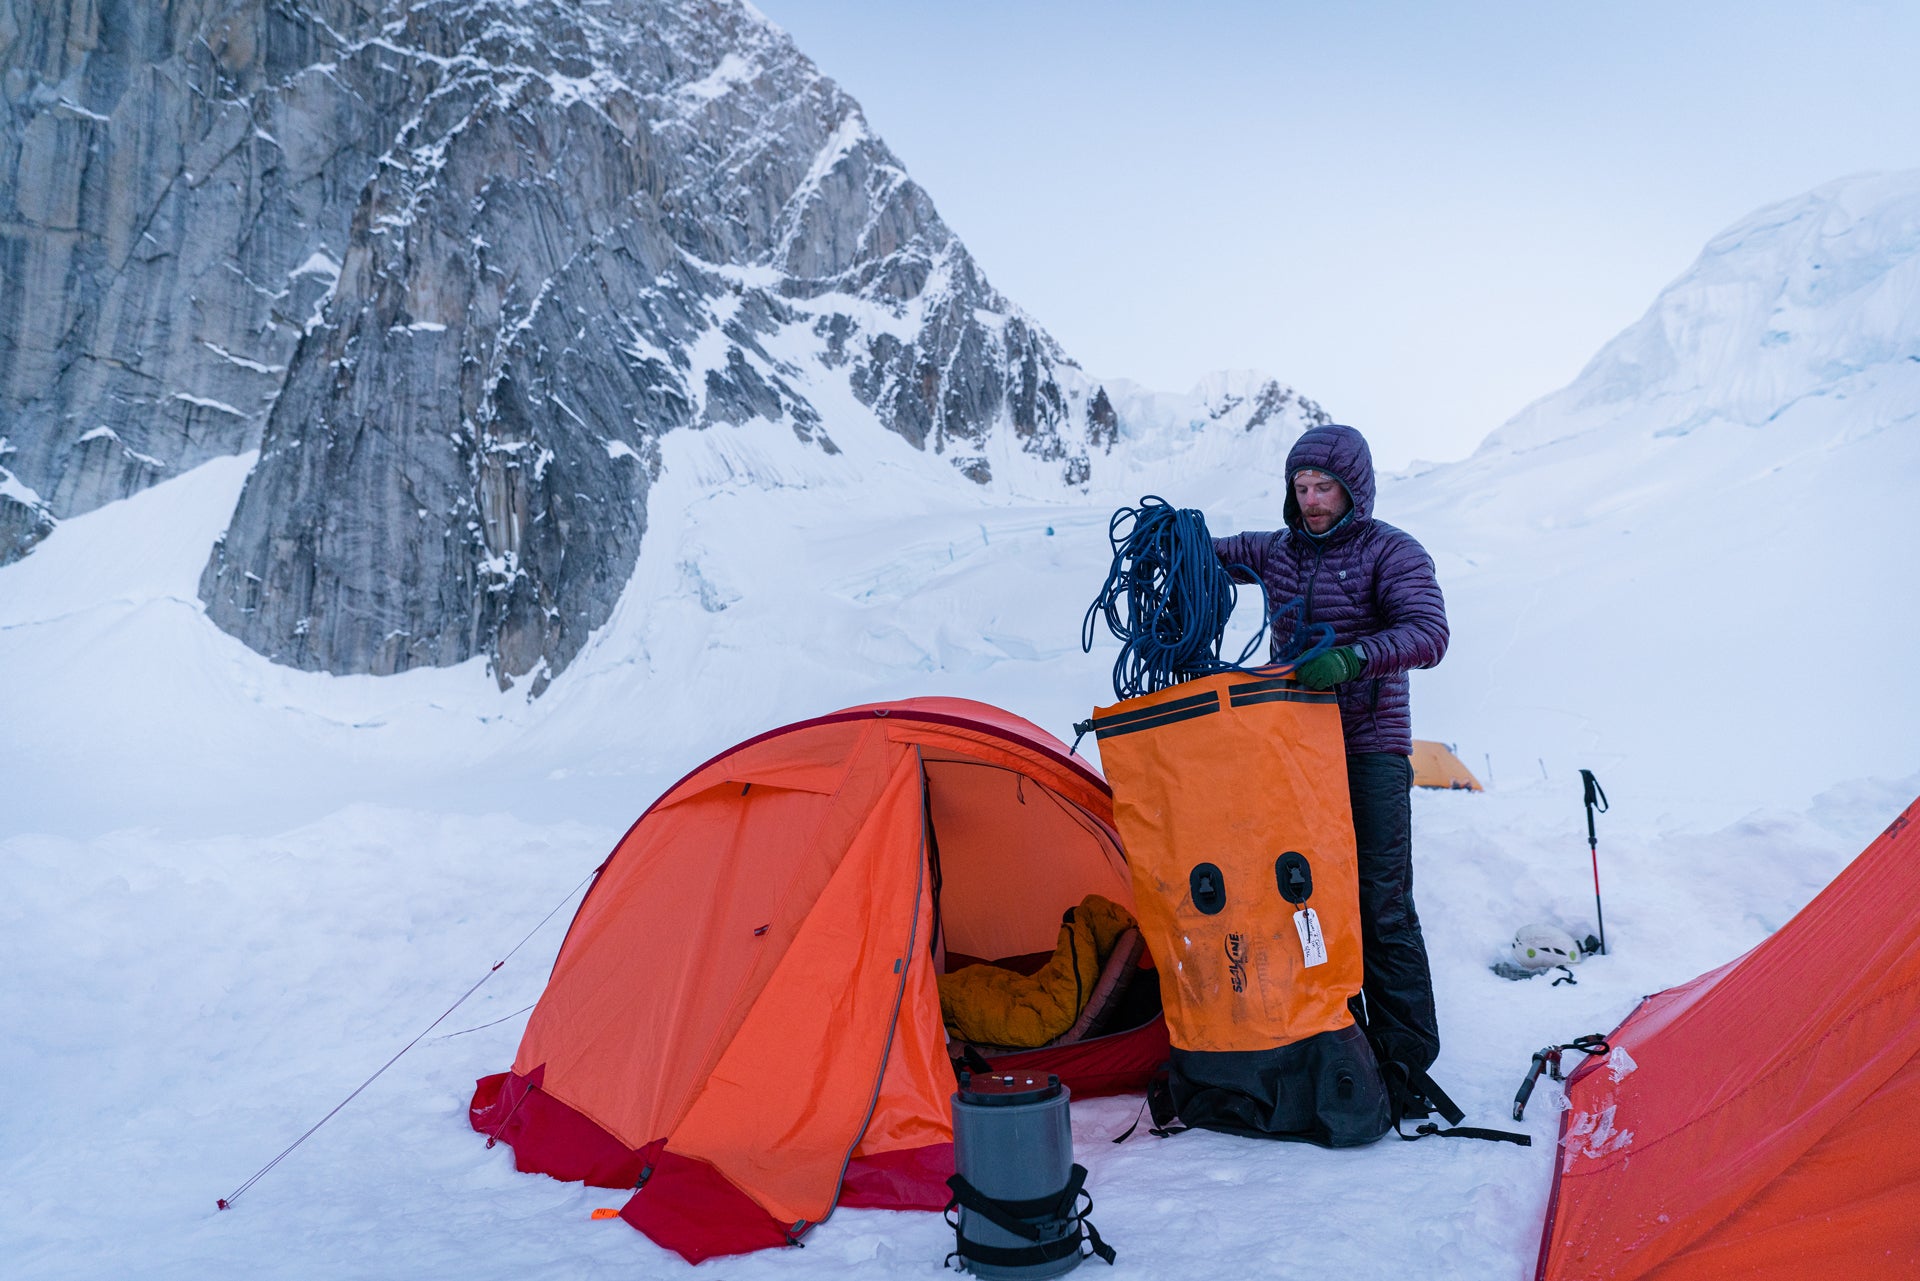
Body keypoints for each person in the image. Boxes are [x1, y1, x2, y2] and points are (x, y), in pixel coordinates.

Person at [1212, 423, 1449, 1080]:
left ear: (1354, 488)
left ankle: (1405, 1062)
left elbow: (1429, 632)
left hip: (1370, 749)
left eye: (1325, 487)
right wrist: (1169, 541)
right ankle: (1340, 1051)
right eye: (1302, 487)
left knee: (1382, 904)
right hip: (1294, 753)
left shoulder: (1391, 551)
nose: (1312, 500)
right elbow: (1209, 554)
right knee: (1307, 901)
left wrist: (1353, 657)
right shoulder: (1276, 551)